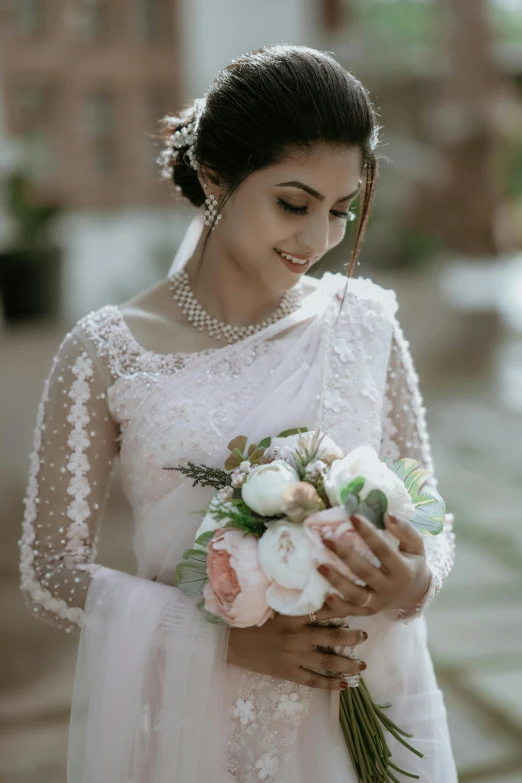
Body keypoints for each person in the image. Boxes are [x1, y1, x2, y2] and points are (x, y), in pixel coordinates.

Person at [19, 44, 457, 782]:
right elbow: (49, 571)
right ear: (216, 177)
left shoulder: (365, 324)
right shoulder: (106, 352)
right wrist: (223, 641)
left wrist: (413, 580)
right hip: (198, 723)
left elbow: (431, 524)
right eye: (294, 203)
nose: (317, 240)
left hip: (367, 705)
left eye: (340, 211)